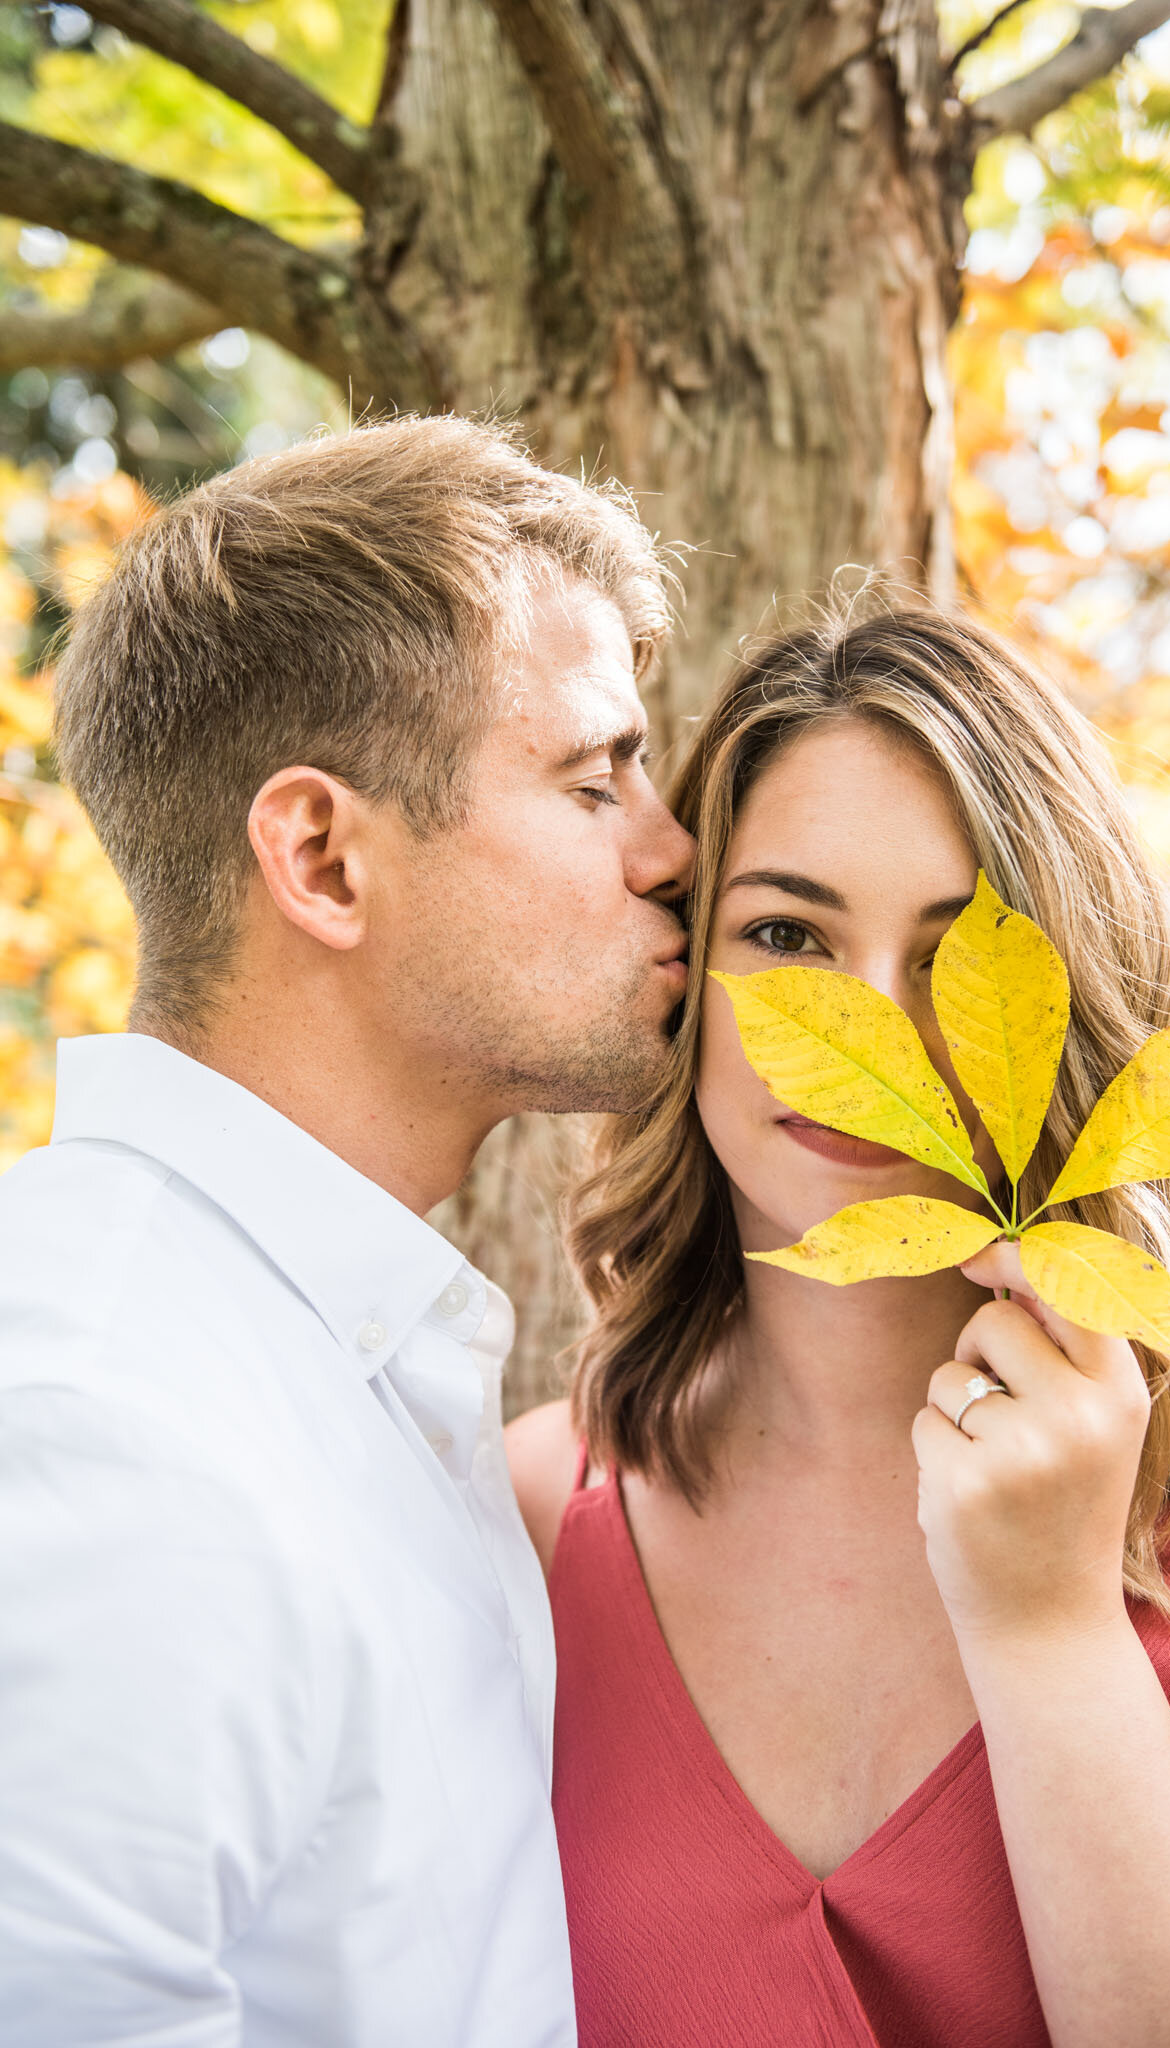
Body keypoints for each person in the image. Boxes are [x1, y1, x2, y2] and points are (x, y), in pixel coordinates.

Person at [508, 603, 1170, 2048]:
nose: (869, 1030)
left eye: (960, 950)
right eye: (786, 932)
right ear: (681, 979)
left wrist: (1047, 1632)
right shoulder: (531, 1510)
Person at [0, 414, 694, 2046]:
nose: (671, 853)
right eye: (596, 780)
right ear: (321, 855)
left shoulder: (336, 1365)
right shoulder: (102, 1423)